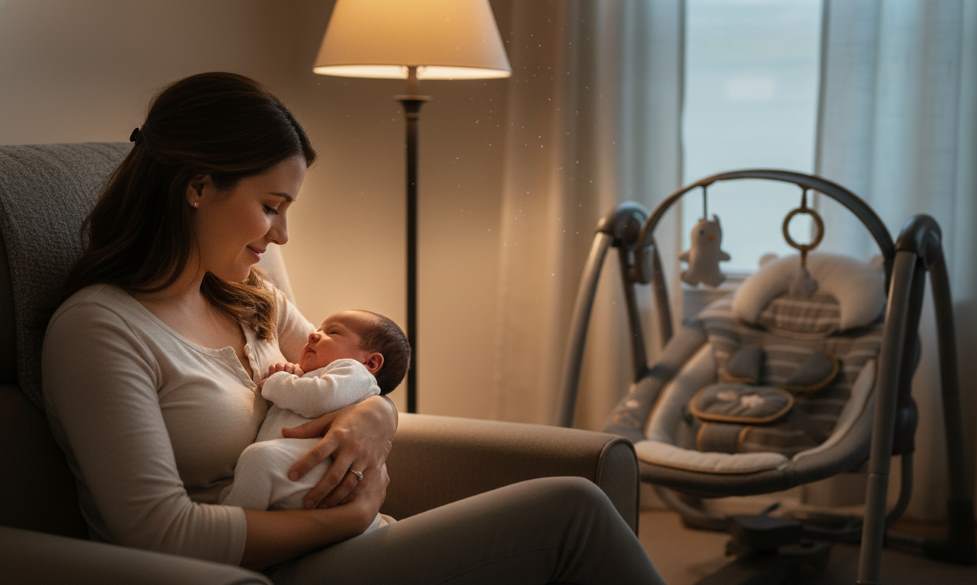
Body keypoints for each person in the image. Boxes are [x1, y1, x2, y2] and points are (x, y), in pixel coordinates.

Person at [40, 71, 666, 584]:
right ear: (198, 187)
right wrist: (348, 517)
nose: (281, 236)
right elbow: (159, 532)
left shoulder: (251, 299)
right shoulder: (101, 330)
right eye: (270, 208)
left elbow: (354, 380)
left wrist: (375, 417)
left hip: (332, 548)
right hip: (254, 570)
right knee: (571, 510)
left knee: (571, 509)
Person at [220, 310, 409, 535]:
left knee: (259, 459)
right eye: (318, 328)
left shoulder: (354, 372)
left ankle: (228, 527)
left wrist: (277, 381)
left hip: (323, 467)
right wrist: (294, 373)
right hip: (301, 474)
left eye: (333, 332)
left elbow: (319, 397)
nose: (313, 335)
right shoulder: (318, 374)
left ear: (371, 362)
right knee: (259, 461)